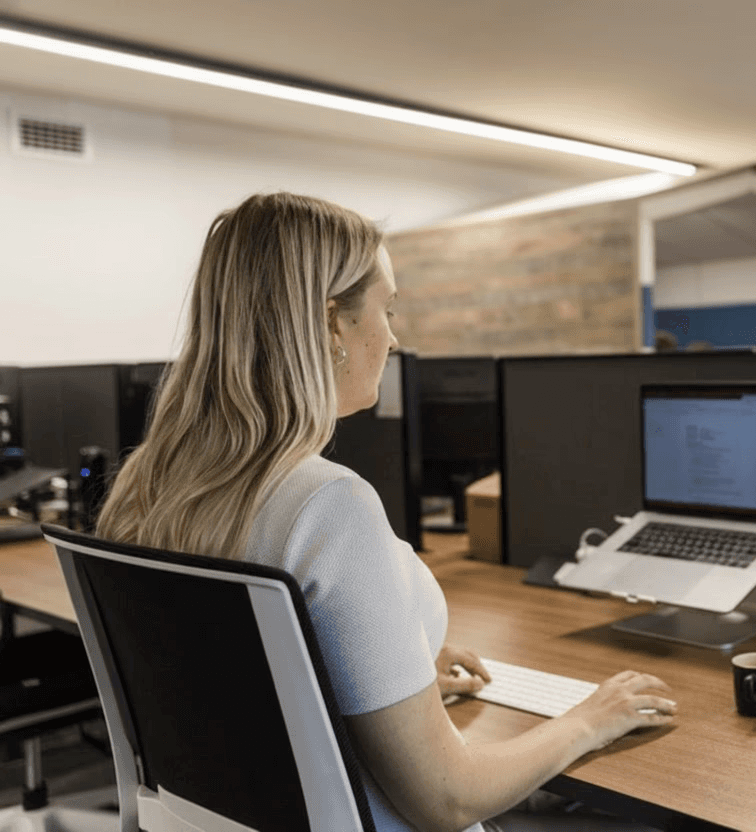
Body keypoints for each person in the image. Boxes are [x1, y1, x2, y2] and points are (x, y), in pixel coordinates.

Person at [96, 192, 677, 832]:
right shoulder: (325, 505)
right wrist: (589, 719)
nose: (394, 335)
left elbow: (233, 683)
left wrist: (384, 675)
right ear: (328, 325)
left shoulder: (144, 486)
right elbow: (446, 799)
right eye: (387, 308)